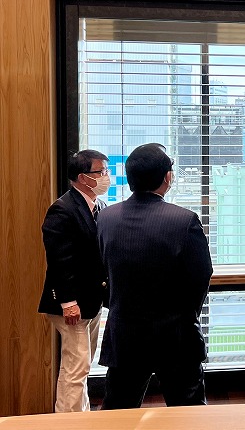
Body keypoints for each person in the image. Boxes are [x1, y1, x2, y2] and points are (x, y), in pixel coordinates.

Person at [97, 143, 213, 409]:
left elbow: (102, 269)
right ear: (167, 177)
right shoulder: (184, 220)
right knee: (188, 412)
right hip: (176, 335)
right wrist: (185, 314)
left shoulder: (106, 218)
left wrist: (117, 304)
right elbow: (201, 276)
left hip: (124, 333)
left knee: (118, 412)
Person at [38, 149, 111, 412]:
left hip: (92, 302)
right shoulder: (63, 209)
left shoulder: (100, 206)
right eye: (101, 172)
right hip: (71, 304)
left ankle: (83, 418)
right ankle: (66, 423)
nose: (106, 176)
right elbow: (60, 260)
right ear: (82, 177)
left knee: (83, 366)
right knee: (75, 367)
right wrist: (68, 302)